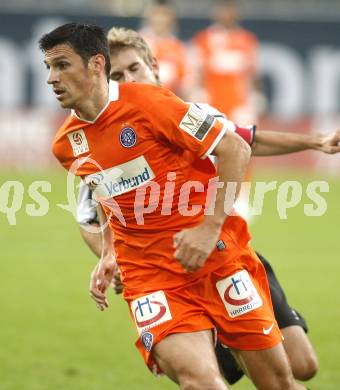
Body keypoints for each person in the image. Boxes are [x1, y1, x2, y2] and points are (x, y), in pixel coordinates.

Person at [40, 22, 310, 389]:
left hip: (217, 260)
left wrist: (209, 227)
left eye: (62, 65)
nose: (52, 78)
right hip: (150, 277)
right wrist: (108, 252)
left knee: (280, 383)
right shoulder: (66, 144)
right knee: (201, 383)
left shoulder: (152, 104)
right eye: (48, 68)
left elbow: (235, 147)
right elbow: (106, 196)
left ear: (95, 64)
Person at [190, 0, 261, 125]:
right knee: (205, 140)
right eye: (224, 9)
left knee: (247, 140)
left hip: (239, 104)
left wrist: (256, 95)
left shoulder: (247, 39)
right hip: (211, 102)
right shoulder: (203, 38)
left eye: (231, 9)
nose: (227, 14)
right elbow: (196, 71)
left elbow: (253, 73)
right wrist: (197, 94)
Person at [139, 0, 189, 97]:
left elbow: (184, 84)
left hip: (169, 104)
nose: (160, 19)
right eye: (157, 14)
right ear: (149, 17)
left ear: (172, 18)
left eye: (164, 14)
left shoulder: (178, 48)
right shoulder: (136, 43)